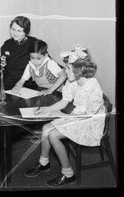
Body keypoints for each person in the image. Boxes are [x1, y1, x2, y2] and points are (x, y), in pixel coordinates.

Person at [24, 45, 106, 188]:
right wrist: (47, 109)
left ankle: (68, 174)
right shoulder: (72, 81)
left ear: (79, 70)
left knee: (53, 135)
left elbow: (87, 115)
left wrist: (60, 115)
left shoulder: (92, 86)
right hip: (78, 116)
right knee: (45, 128)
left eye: (67, 68)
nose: (64, 71)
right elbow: (64, 101)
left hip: (91, 122)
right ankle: (44, 163)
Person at [0, 16, 38, 90]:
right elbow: (0, 68)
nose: (15, 33)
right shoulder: (7, 45)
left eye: (19, 31)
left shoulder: (33, 43)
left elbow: (46, 60)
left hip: (25, 81)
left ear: (26, 32)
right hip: (8, 80)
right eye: (13, 29)